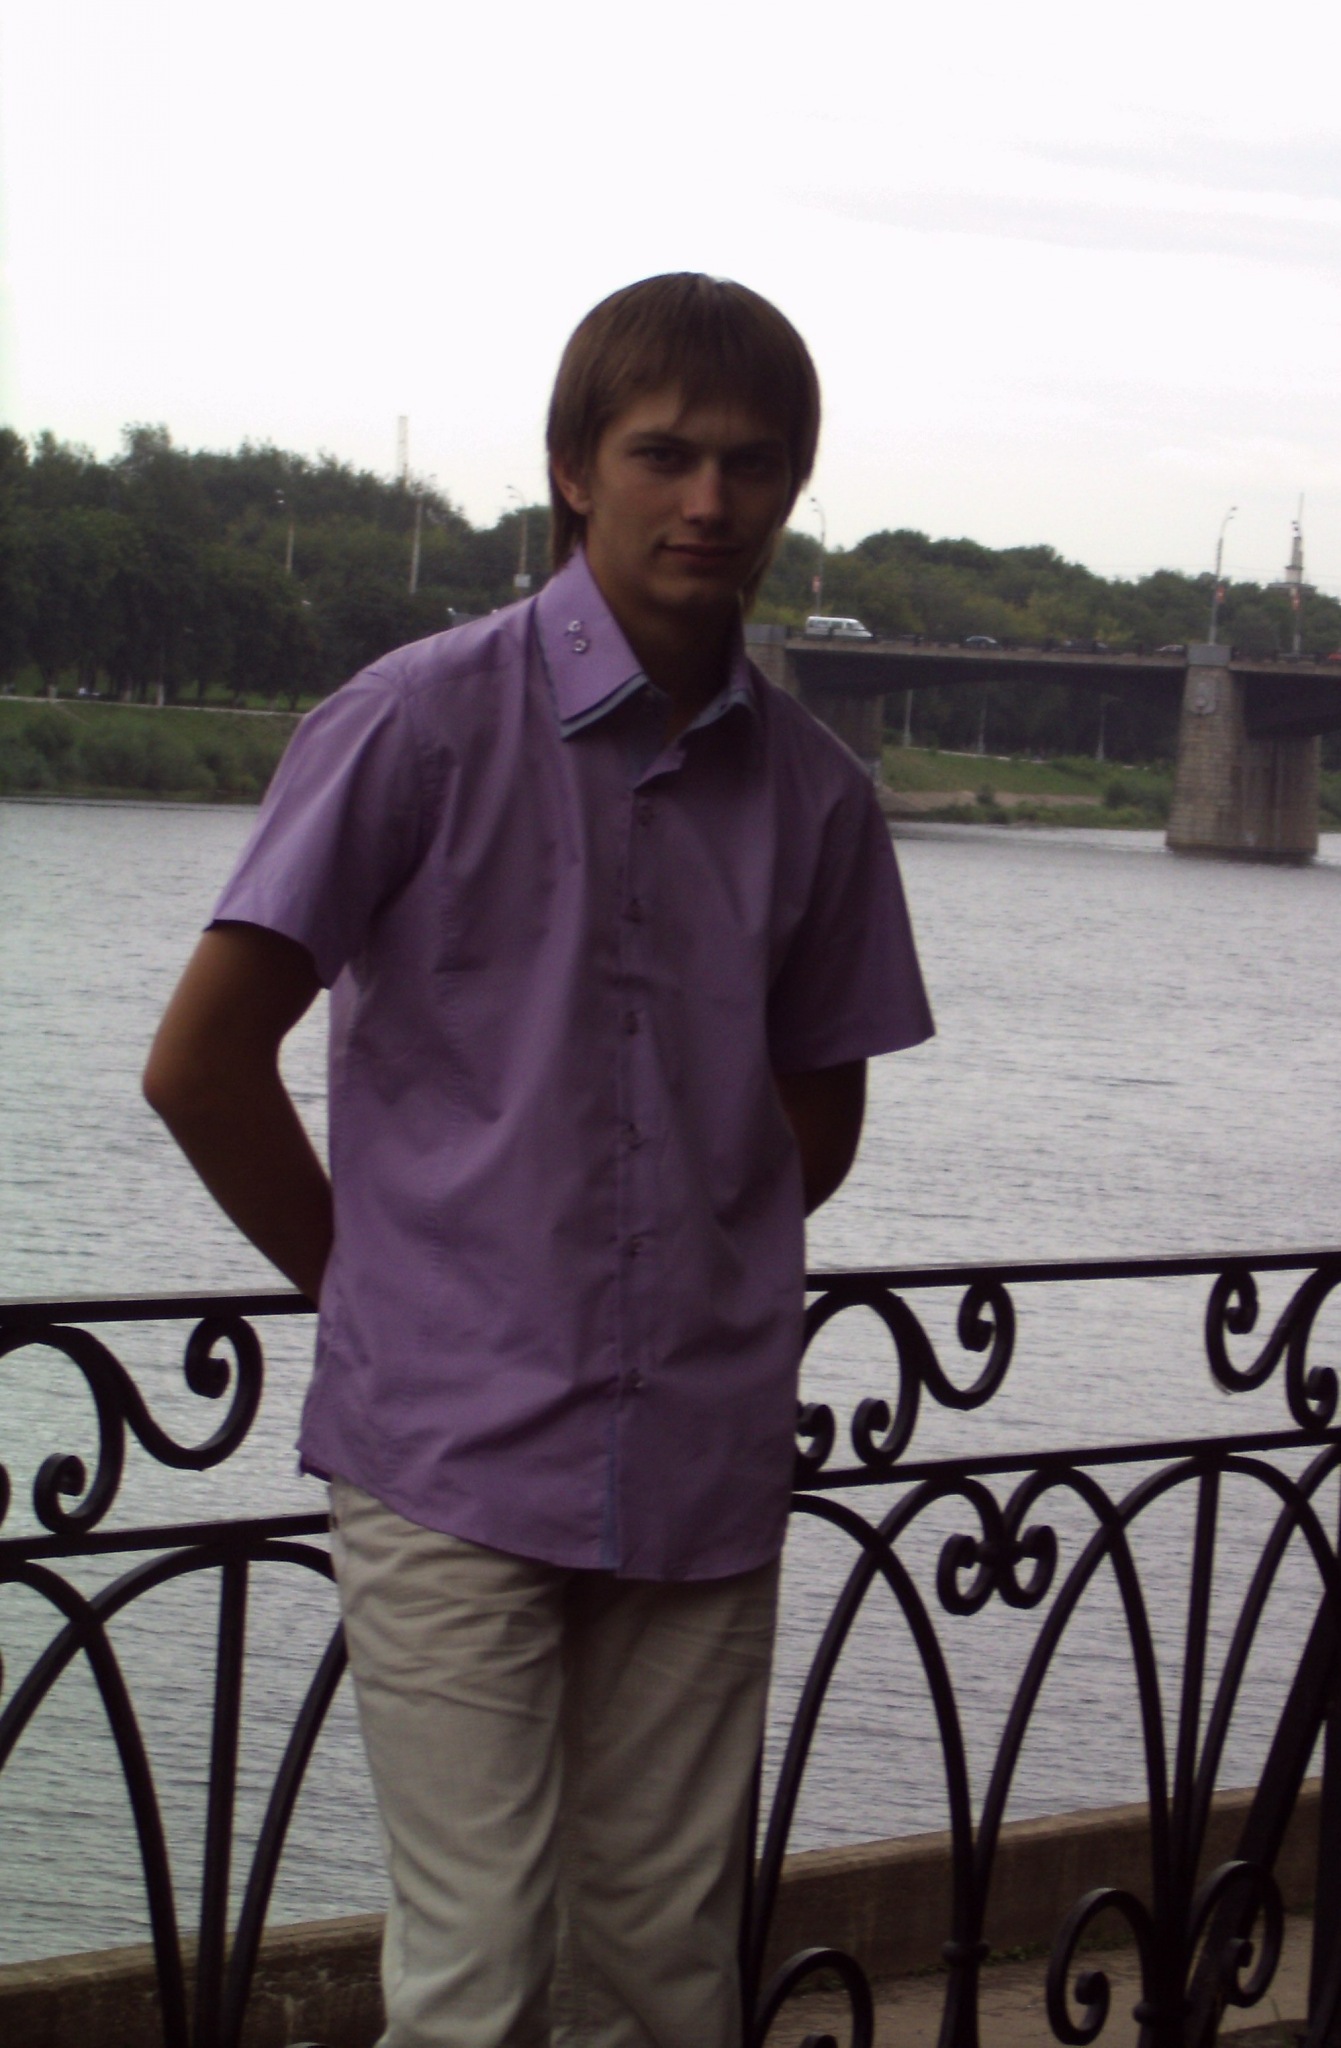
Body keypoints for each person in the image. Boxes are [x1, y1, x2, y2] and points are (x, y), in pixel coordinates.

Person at [143, 272, 933, 2048]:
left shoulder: (815, 795)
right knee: (478, 1976)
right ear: (575, 469)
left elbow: (817, 1122)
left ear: (791, 490)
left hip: (699, 1457)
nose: (706, 500)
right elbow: (199, 1065)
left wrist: (682, 1257)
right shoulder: (415, 722)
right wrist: (380, 1291)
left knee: (663, 1978)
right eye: (662, 454)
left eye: (749, 464)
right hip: (448, 1453)